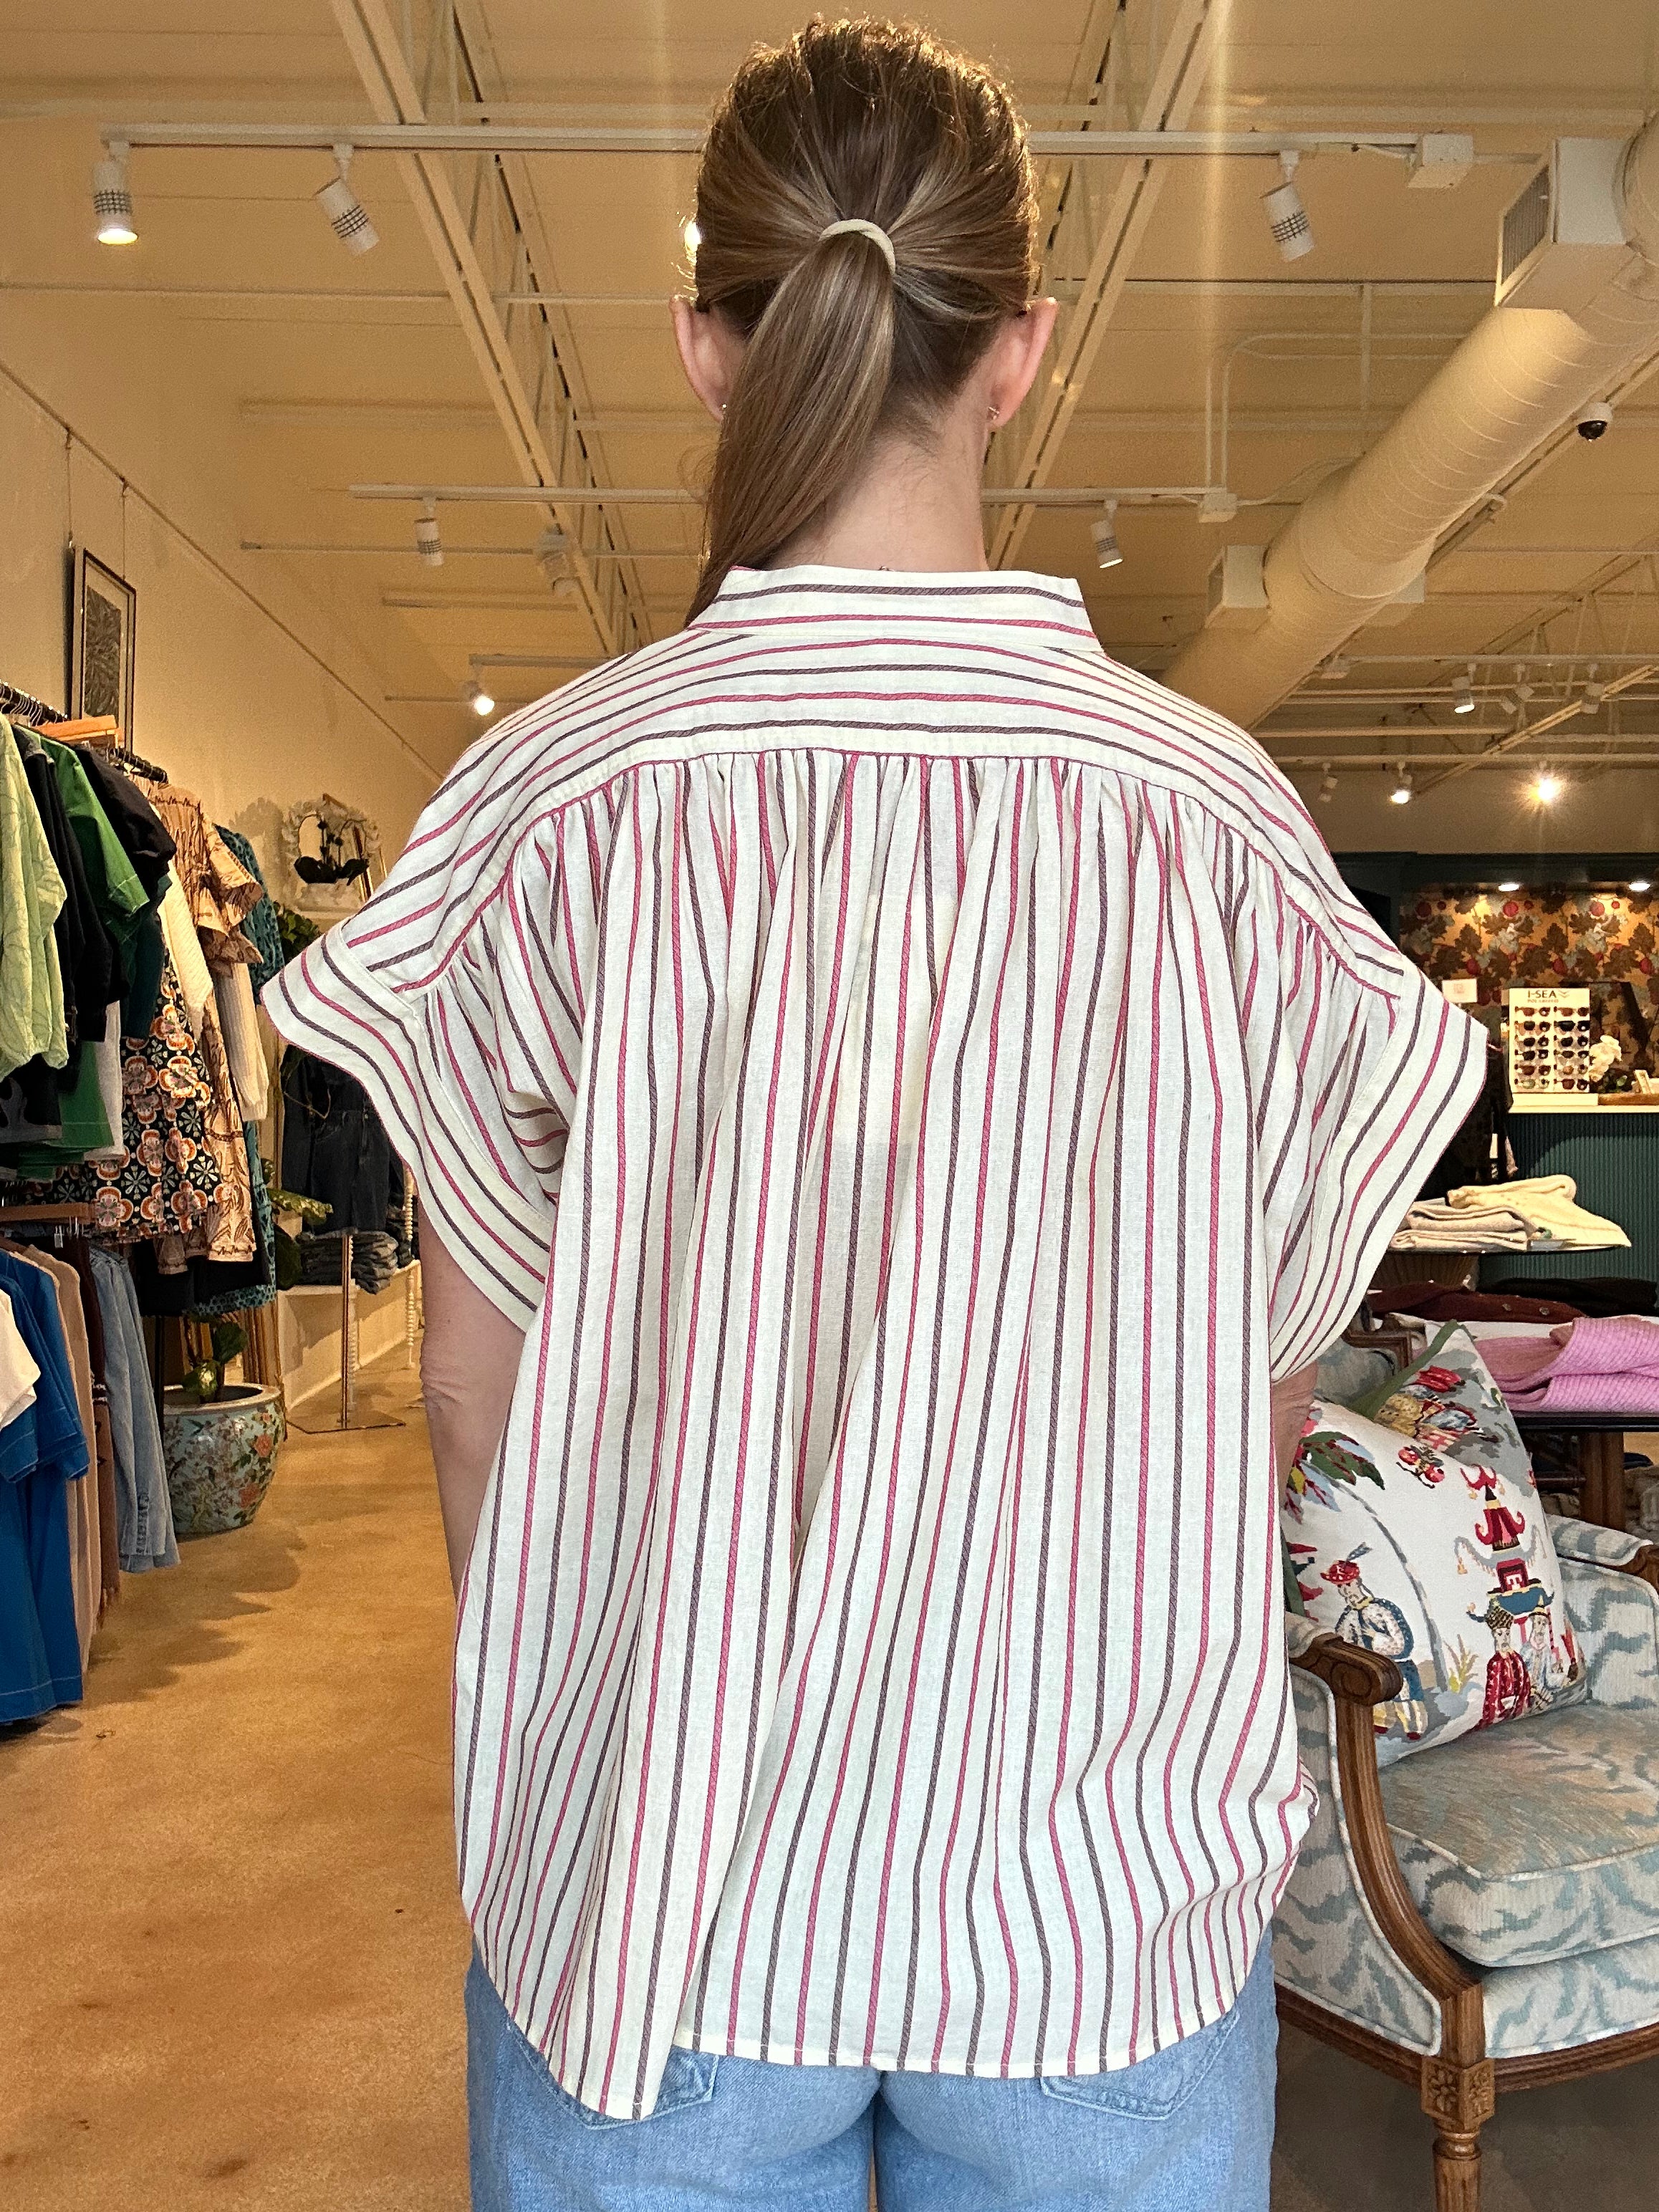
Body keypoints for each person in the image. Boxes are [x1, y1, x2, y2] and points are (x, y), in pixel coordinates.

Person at [266, 18, 1484, 2208]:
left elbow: (467, 1387)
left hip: (669, 1894)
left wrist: (570, 1734)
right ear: (1017, 348)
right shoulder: (1210, 825)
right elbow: (1262, 1395)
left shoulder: (562, 803)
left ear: (704, 344)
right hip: (1087, 1906)